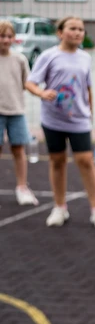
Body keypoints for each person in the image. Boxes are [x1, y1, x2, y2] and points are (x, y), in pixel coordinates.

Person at [27, 17, 95, 230]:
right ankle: (59, 207)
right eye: (72, 28)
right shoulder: (49, 56)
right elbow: (30, 82)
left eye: (81, 29)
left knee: (85, 160)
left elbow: (88, 87)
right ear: (60, 32)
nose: (78, 33)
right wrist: (41, 92)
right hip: (53, 119)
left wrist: (90, 112)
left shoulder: (85, 58)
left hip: (79, 120)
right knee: (57, 161)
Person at [0, 20, 37, 207]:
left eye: (9, 36)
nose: (6, 40)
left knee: (19, 149)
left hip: (16, 111)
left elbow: (27, 83)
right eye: (2, 36)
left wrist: (42, 92)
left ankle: (22, 187)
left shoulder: (20, 59)